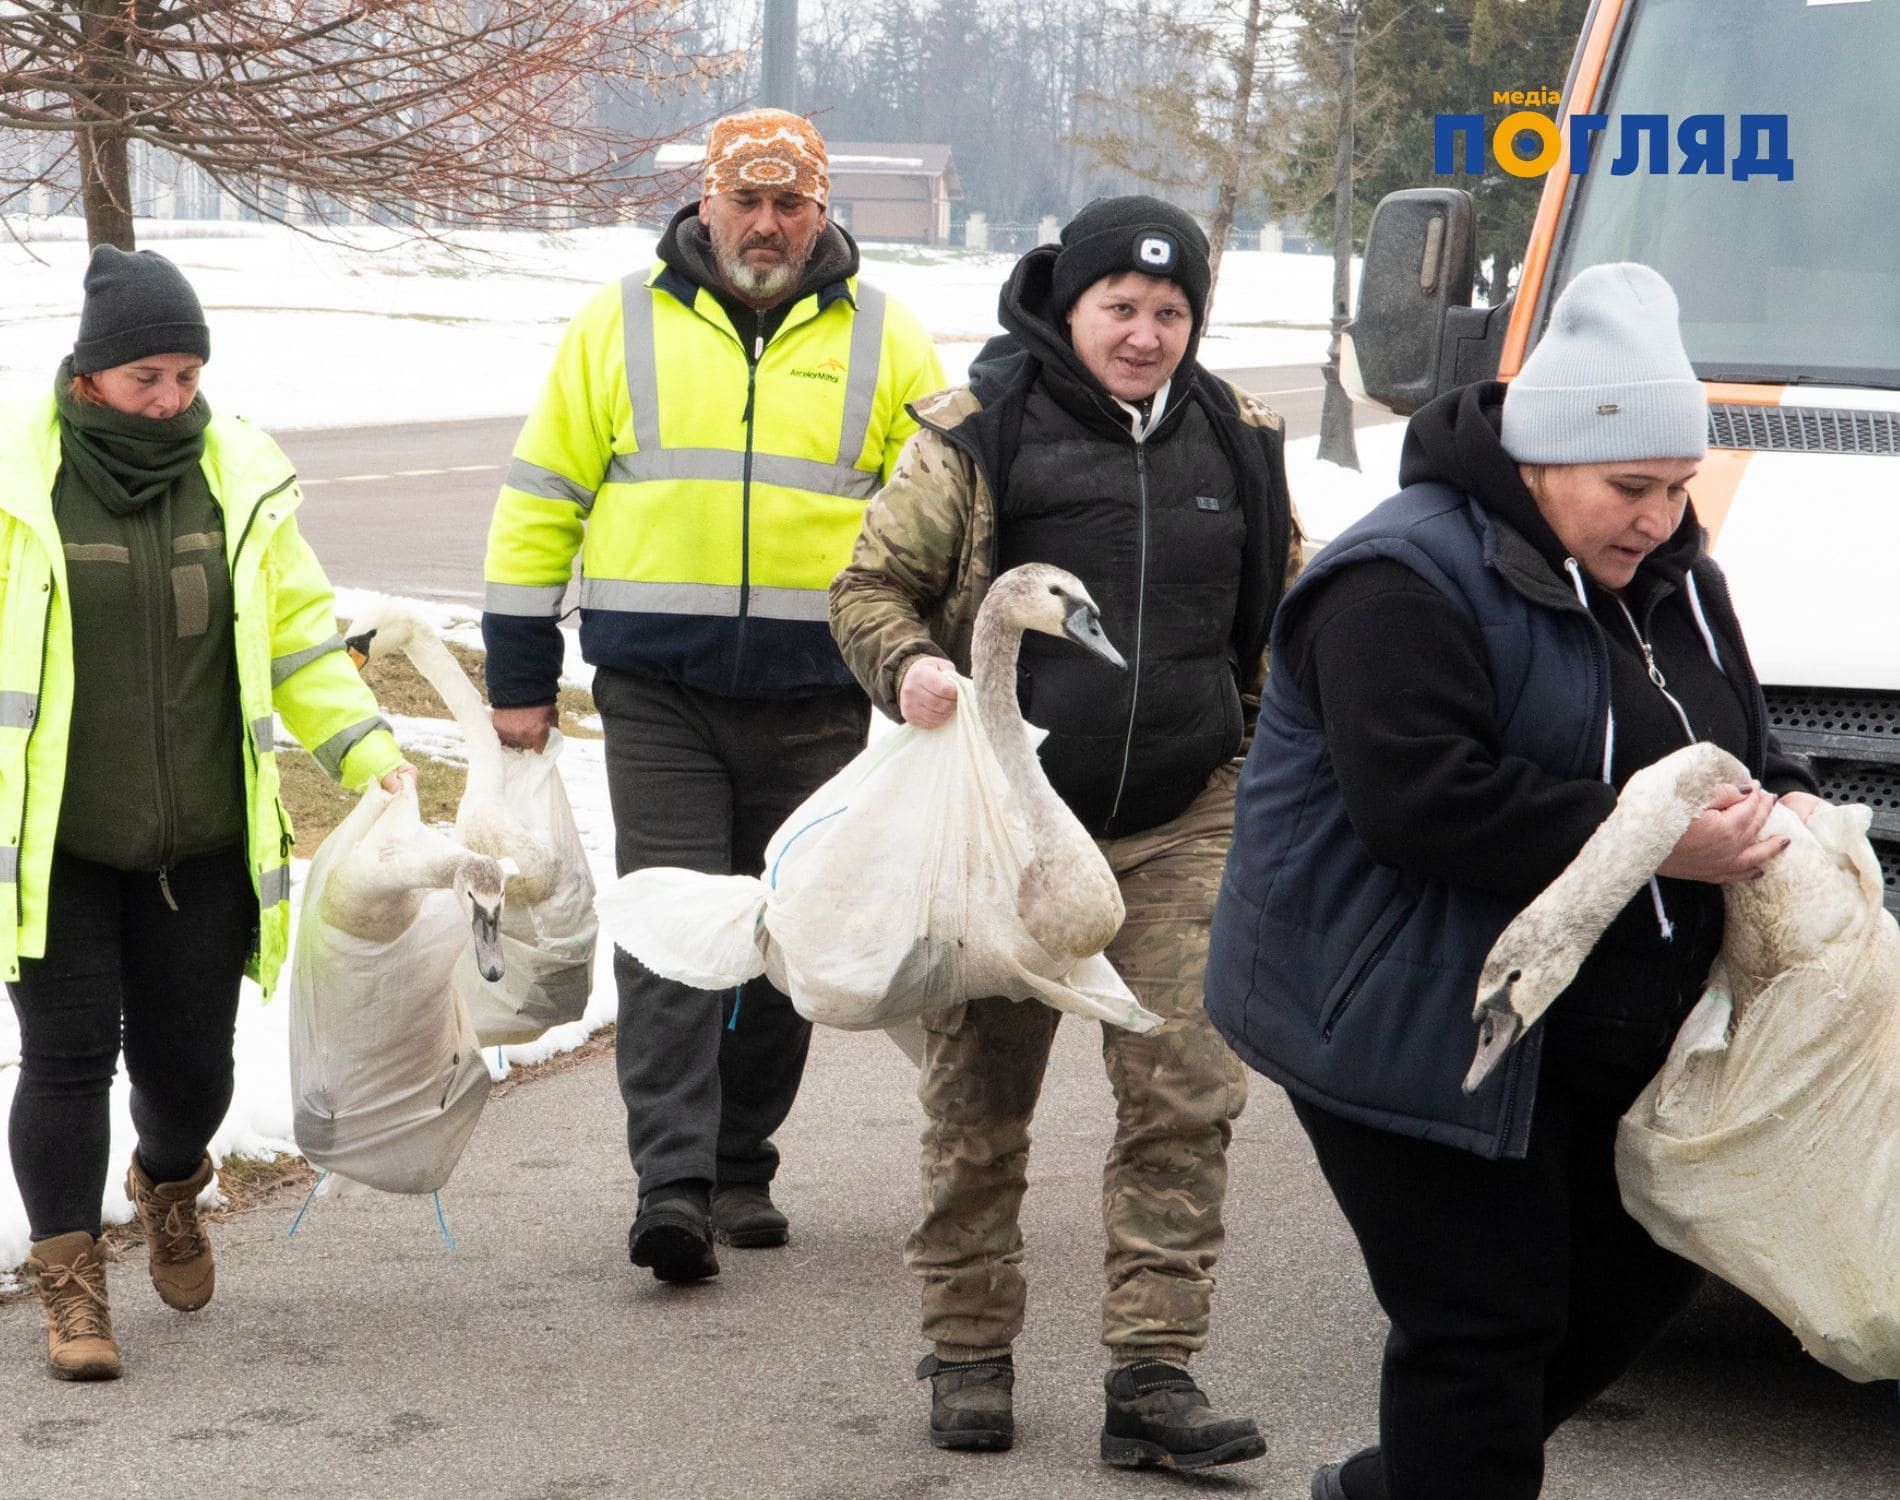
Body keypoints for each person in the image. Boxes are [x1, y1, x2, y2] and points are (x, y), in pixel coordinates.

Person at [1202, 263, 1823, 1500]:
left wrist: (1788, 788)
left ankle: (1396, 1485)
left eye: (1675, 487)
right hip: (1411, 1011)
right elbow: (1420, 805)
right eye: (1628, 488)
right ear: (1542, 459)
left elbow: (1732, 736)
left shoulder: (1676, 582)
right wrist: (1652, 843)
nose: (1656, 518)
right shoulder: (1397, 580)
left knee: (1637, 1274)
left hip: (1607, 1015)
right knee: (1482, 1328)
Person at [830, 195, 1300, 1469]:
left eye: (1169, 312)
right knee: (979, 1097)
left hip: (1183, 819)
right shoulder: (982, 433)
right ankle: (969, 1348)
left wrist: (1274, 761)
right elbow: (867, 587)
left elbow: (1281, 615)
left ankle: (1152, 1379)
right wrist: (912, 669)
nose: (1144, 335)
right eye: (1120, 309)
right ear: (1070, 303)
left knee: (1186, 1093)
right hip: (1012, 833)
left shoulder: (1238, 441)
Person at [481, 109, 944, 1282]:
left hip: (818, 697)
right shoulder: (619, 324)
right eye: (748, 200)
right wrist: (521, 669)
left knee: (785, 937)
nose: (767, 224)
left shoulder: (889, 339)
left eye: (791, 204)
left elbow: (942, 519)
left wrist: (935, 664)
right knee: (675, 935)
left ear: (822, 211)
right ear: (706, 202)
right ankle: (672, 1186)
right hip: (660, 692)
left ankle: (742, 1166)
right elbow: (541, 497)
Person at [0, 246, 413, 1382]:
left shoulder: (237, 477)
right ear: (89, 376)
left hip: (202, 845)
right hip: (58, 844)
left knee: (190, 1070)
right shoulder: (17, 481)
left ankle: (170, 1180)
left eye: (187, 374)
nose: (173, 399)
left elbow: (298, 639)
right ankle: (72, 1285)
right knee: (66, 1059)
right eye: (148, 378)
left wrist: (368, 754)